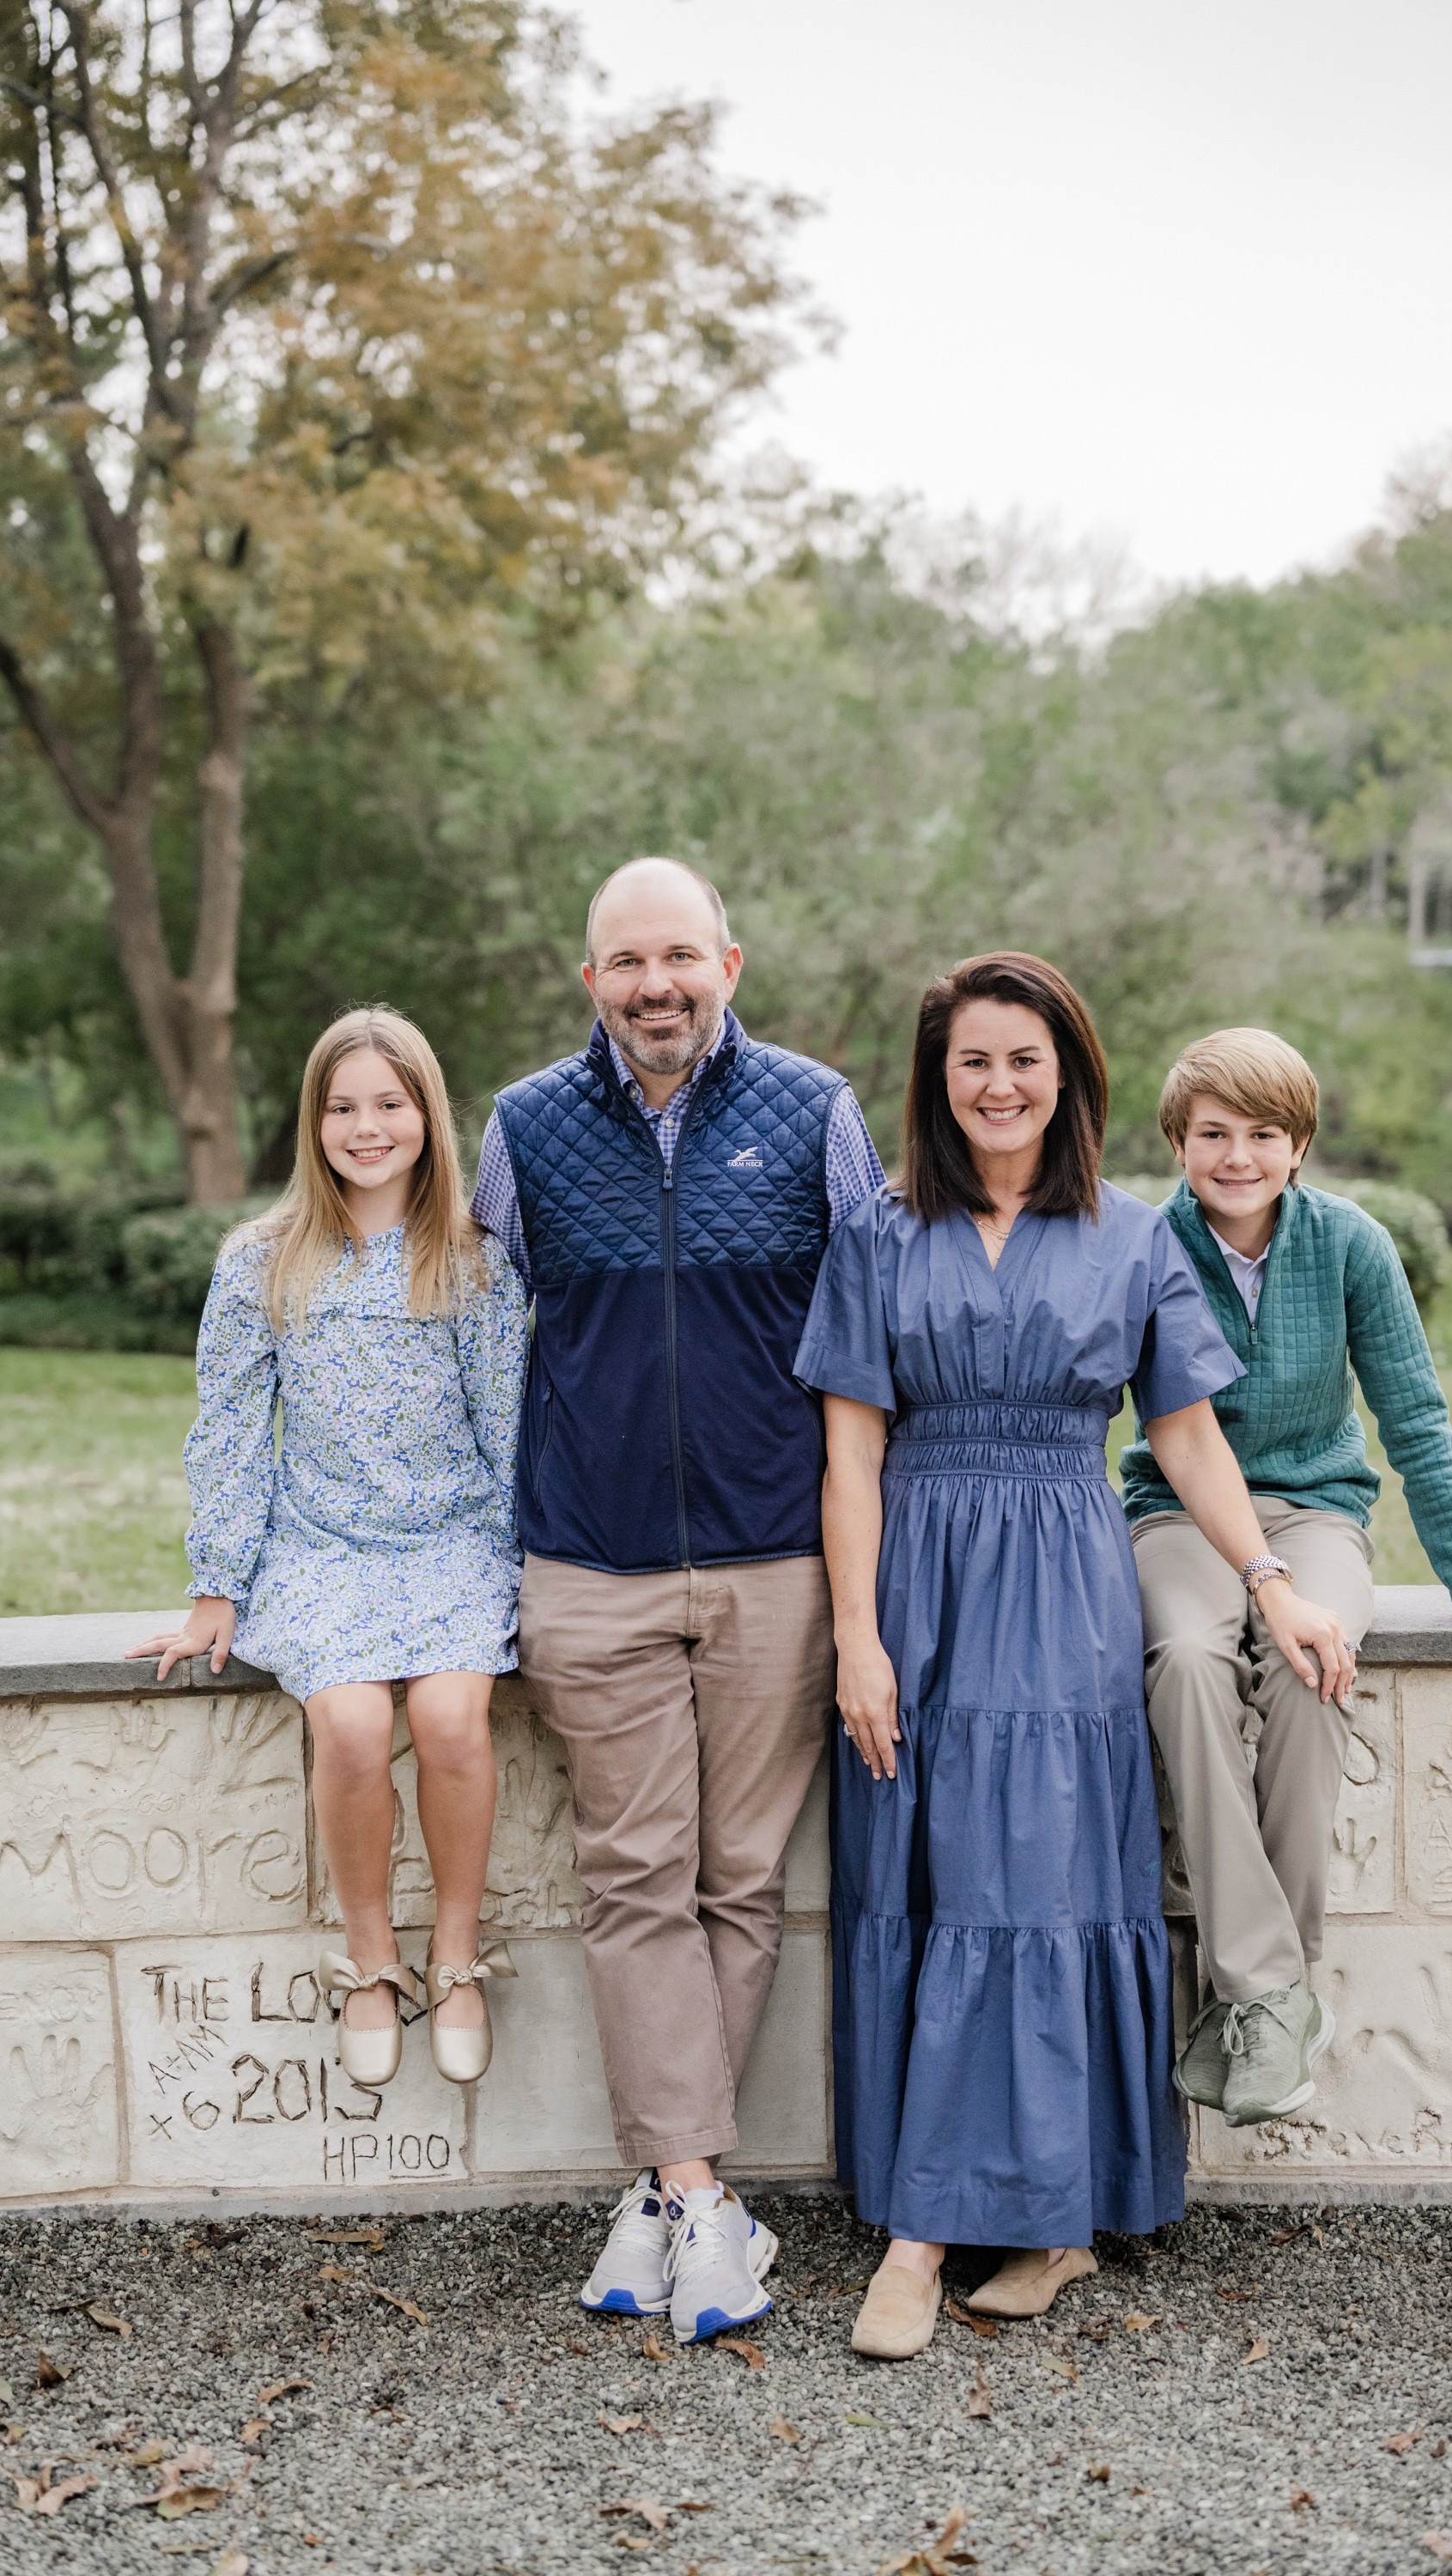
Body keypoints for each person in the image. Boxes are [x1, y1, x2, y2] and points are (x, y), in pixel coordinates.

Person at [793, 954, 1356, 2362]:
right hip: (919, 1582)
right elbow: (849, 1457)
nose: (999, 1085)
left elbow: (1184, 1437)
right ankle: (927, 2225)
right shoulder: (877, 1232)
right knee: (930, 1890)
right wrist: (858, 1638)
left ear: (1069, 1078)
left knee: (1039, 1889)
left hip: (1064, 1591)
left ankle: (1026, 2228)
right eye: (974, 1061)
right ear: (938, 1080)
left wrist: (1272, 1583)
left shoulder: (1134, 1236)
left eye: (1025, 1060)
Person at [471, 855, 885, 2344]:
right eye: (628, 963)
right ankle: (705, 2199)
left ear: (730, 964)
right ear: (591, 979)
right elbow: (482, 1339)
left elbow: (873, 1330)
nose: (657, 986)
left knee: (742, 1880)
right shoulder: (522, 1127)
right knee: (636, 1877)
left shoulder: (816, 1111)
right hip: (590, 1563)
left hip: (777, 1560)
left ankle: (663, 2197)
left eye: (681, 958)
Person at [1122, 1027, 1452, 2129]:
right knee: (1186, 1658)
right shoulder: (1144, 1246)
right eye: (1211, 1134)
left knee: (1313, 1664)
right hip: (1178, 1515)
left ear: (1297, 1146)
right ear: (1176, 1142)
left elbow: (1411, 1417)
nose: (1236, 1156)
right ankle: (1271, 1990)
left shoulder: (1349, 1244)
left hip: (1315, 1513)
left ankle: (1257, 1995)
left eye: (1262, 1134)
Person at [131, 1007, 526, 2089]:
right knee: (349, 1724)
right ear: (313, 1123)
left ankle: (455, 1953)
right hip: (321, 1549)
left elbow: (505, 1427)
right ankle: (368, 1959)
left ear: (427, 1115)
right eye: (342, 1107)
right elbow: (229, 1426)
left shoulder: (472, 1263)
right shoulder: (262, 1262)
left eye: (389, 1104)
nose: (366, 1127)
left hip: (451, 1542)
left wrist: (525, 1565)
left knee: (450, 1718)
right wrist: (217, 1585)